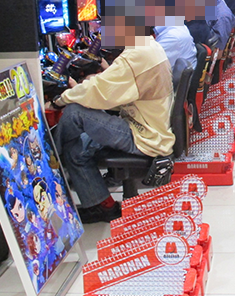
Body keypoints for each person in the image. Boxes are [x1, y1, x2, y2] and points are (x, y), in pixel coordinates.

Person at [51, 27, 174, 223]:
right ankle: (103, 206)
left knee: (74, 111)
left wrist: (59, 100)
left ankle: (51, 166)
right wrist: (89, 85)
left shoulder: (136, 54)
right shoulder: (149, 46)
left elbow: (99, 91)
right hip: (150, 126)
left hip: (143, 135)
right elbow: (114, 89)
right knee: (76, 151)